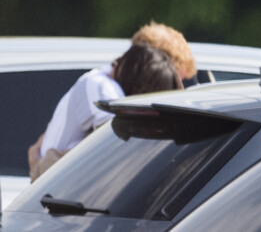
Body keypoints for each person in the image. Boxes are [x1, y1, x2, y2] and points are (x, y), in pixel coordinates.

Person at [28, 43, 183, 181]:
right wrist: (40, 167)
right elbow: (119, 143)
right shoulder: (100, 85)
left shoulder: (100, 82)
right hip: (53, 189)